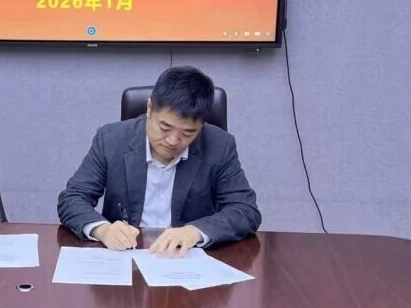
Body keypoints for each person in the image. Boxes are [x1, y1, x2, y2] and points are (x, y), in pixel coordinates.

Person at [58, 66, 260, 255]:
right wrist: (103, 230)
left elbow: (245, 210)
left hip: (186, 260)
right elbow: (73, 198)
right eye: (164, 128)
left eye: (188, 133)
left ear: (201, 126)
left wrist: (194, 232)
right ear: (149, 108)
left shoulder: (219, 146)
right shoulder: (110, 140)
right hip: (124, 257)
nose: (173, 141)